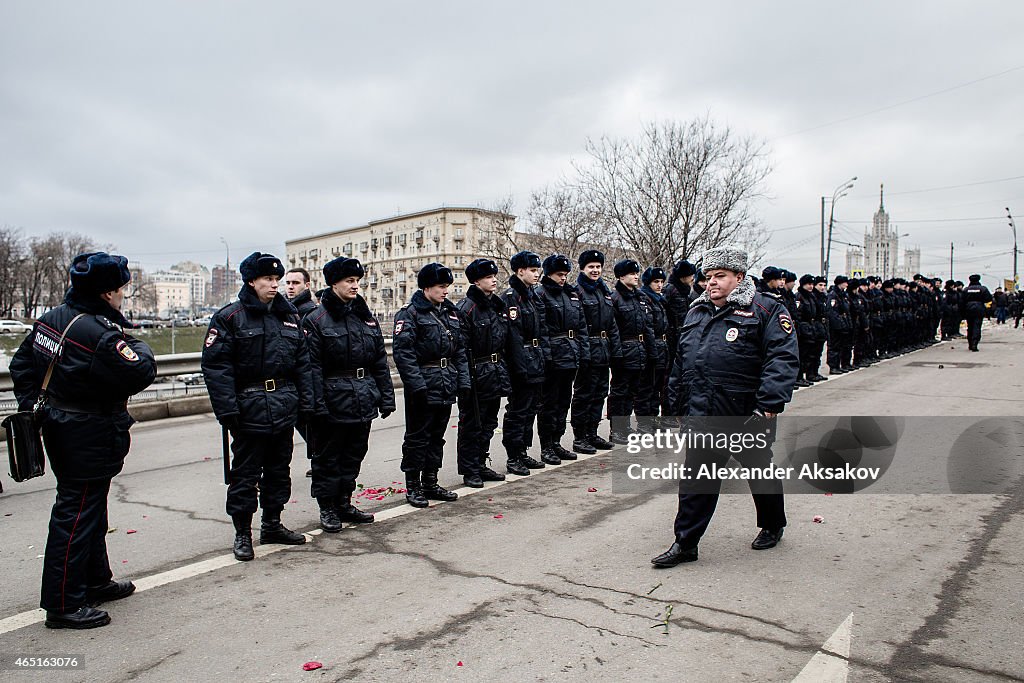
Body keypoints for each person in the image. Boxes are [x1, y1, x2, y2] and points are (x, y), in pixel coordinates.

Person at [10, 253, 157, 629]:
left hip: (64, 425)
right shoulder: (100, 333)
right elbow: (140, 371)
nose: (123, 295)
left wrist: (39, 407)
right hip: (87, 429)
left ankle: (95, 580)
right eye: (122, 289)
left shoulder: (53, 317)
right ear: (108, 292)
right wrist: (135, 342)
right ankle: (63, 603)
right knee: (74, 515)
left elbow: (21, 366)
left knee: (89, 508)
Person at [653, 245, 799, 567]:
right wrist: (676, 406)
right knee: (697, 479)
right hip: (703, 413)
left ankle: (773, 524)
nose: (712, 283)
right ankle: (686, 543)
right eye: (708, 277)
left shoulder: (765, 310)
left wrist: (768, 408)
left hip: (746, 415)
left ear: (740, 277)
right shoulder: (696, 311)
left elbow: (782, 360)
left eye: (720, 276)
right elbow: (682, 363)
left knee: (760, 471)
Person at [202, 252, 313, 561]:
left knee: (279, 470)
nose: (274, 285)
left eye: (277, 280)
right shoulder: (230, 317)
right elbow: (216, 367)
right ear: (251, 281)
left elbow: (302, 363)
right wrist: (227, 410)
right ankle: (242, 532)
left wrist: (305, 402)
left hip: (283, 404)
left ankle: (273, 524)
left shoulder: (289, 316)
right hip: (249, 407)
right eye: (268, 279)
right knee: (245, 475)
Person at [303, 257, 395, 532]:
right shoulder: (316, 319)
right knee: (328, 457)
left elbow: (379, 359)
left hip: (362, 395)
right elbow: (312, 367)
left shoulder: (364, 317)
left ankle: (344, 501)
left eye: (357, 281)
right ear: (334, 284)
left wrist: (386, 396)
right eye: (349, 281)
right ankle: (327, 507)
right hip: (332, 399)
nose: (355, 286)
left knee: (354, 454)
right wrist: (317, 404)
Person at [392, 263, 471, 506]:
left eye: (447, 286)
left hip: (445, 381)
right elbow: (403, 354)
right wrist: (417, 385)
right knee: (418, 437)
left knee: (437, 436)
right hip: (424, 383)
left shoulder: (450, 313)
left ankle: (431, 481)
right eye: (440, 286)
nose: (446, 291)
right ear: (426, 287)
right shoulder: (410, 313)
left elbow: (459, 350)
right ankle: (413, 486)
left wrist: (463, 380)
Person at [455, 258, 511, 488]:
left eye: (494, 276)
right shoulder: (467, 308)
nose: (494, 280)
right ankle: (470, 469)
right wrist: (466, 381)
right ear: (476, 281)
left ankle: (480, 462)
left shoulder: (496, 306)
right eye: (488, 277)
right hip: (477, 371)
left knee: (488, 422)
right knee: (472, 424)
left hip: (495, 371)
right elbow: (461, 348)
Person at [501, 251, 550, 475]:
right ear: (520, 271)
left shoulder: (533, 295)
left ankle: (523, 451)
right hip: (522, 362)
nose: (536, 274)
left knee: (531, 409)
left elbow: (541, 329)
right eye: (532, 270)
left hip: (536, 358)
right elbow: (513, 336)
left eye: (537, 270)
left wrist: (544, 357)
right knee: (518, 410)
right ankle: (513, 455)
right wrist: (520, 367)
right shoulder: (511, 297)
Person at [569, 250, 620, 454]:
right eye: (591, 267)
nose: (595, 270)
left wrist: (615, 350)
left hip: (603, 350)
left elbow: (612, 324)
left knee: (599, 393)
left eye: (598, 266)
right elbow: (578, 325)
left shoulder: (603, 292)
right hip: (587, 349)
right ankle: (579, 437)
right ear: (583, 268)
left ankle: (592, 432)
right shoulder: (577, 292)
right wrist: (584, 352)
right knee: (584, 395)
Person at [608, 259, 655, 444]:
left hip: (640, 350)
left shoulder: (641, 297)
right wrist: (617, 354)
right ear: (621, 276)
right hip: (624, 351)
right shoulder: (615, 299)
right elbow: (614, 329)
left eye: (637, 273)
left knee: (631, 392)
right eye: (631, 273)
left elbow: (648, 327)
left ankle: (625, 426)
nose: (636, 276)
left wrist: (651, 352)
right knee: (619, 392)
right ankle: (617, 429)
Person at [284, 267, 317, 477]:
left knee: (308, 423)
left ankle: (319, 458)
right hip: (292, 379)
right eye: (287, 283)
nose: (290, 287)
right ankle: (319, 457)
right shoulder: (286, 310)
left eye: (295, 283)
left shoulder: (308, 312)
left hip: (306, 378)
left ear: (306, 285)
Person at [637, 266, 670, 430]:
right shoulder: (645, 299)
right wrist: (652, 352)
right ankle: (644, 422)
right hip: (653, 347)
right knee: (647, 387)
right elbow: (648, 327)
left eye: (662, 281)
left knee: (657, 387)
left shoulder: (659, 299)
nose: (659, 285)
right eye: (656, 281)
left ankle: (652, 418)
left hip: (662, 346)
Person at [826, 275, 853, 373]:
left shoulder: (843, 295)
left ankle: (839, 365)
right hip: (836, 326)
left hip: (843, 323)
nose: (846, 284)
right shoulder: (833, 295)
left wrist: (847, 324)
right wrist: (839, 325)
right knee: (834, 346)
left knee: (841, 346)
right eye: (845, 282)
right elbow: (832, 312)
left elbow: (847, 310)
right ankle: (833, 366)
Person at [960, 274, 993, 352]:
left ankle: (970, 343)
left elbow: (962, 301)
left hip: (969, 309)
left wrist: (963, 311)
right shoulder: (983, 289)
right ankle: (975, 343)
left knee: (970, 327)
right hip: (979, 309)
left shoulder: (966, 289)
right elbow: (988, 298)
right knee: (977, 327)